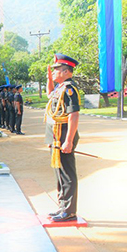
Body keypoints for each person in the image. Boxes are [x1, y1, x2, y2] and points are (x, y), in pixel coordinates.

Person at [45, 53, 81, 222]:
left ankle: (69, 211)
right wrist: (49, 79)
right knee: (59, 173)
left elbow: (74, 115)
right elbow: (49, 95)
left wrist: (68, 140)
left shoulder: (69, 89)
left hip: (64, 135)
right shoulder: (60, 88)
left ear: (66, 71)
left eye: (57, 70)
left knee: (67, 174)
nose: (54, 72)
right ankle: (62, 207)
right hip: (56, 136)